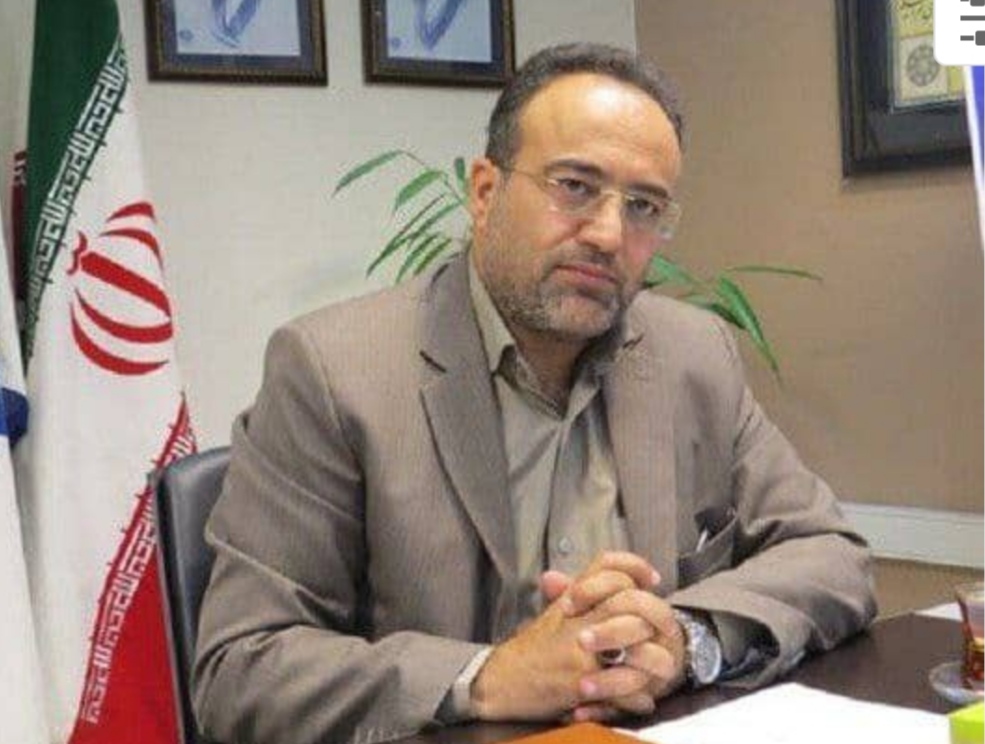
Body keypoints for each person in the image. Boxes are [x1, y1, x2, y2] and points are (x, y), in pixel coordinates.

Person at [192, 43, 877, 744]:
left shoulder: (692, 355)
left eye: (643, 206)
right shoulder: (334, 371)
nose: (608, 234)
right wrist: (489, 676)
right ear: (484, 193)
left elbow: (829, 552)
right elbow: (240, 667)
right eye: (574, 186)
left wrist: (682, 635)